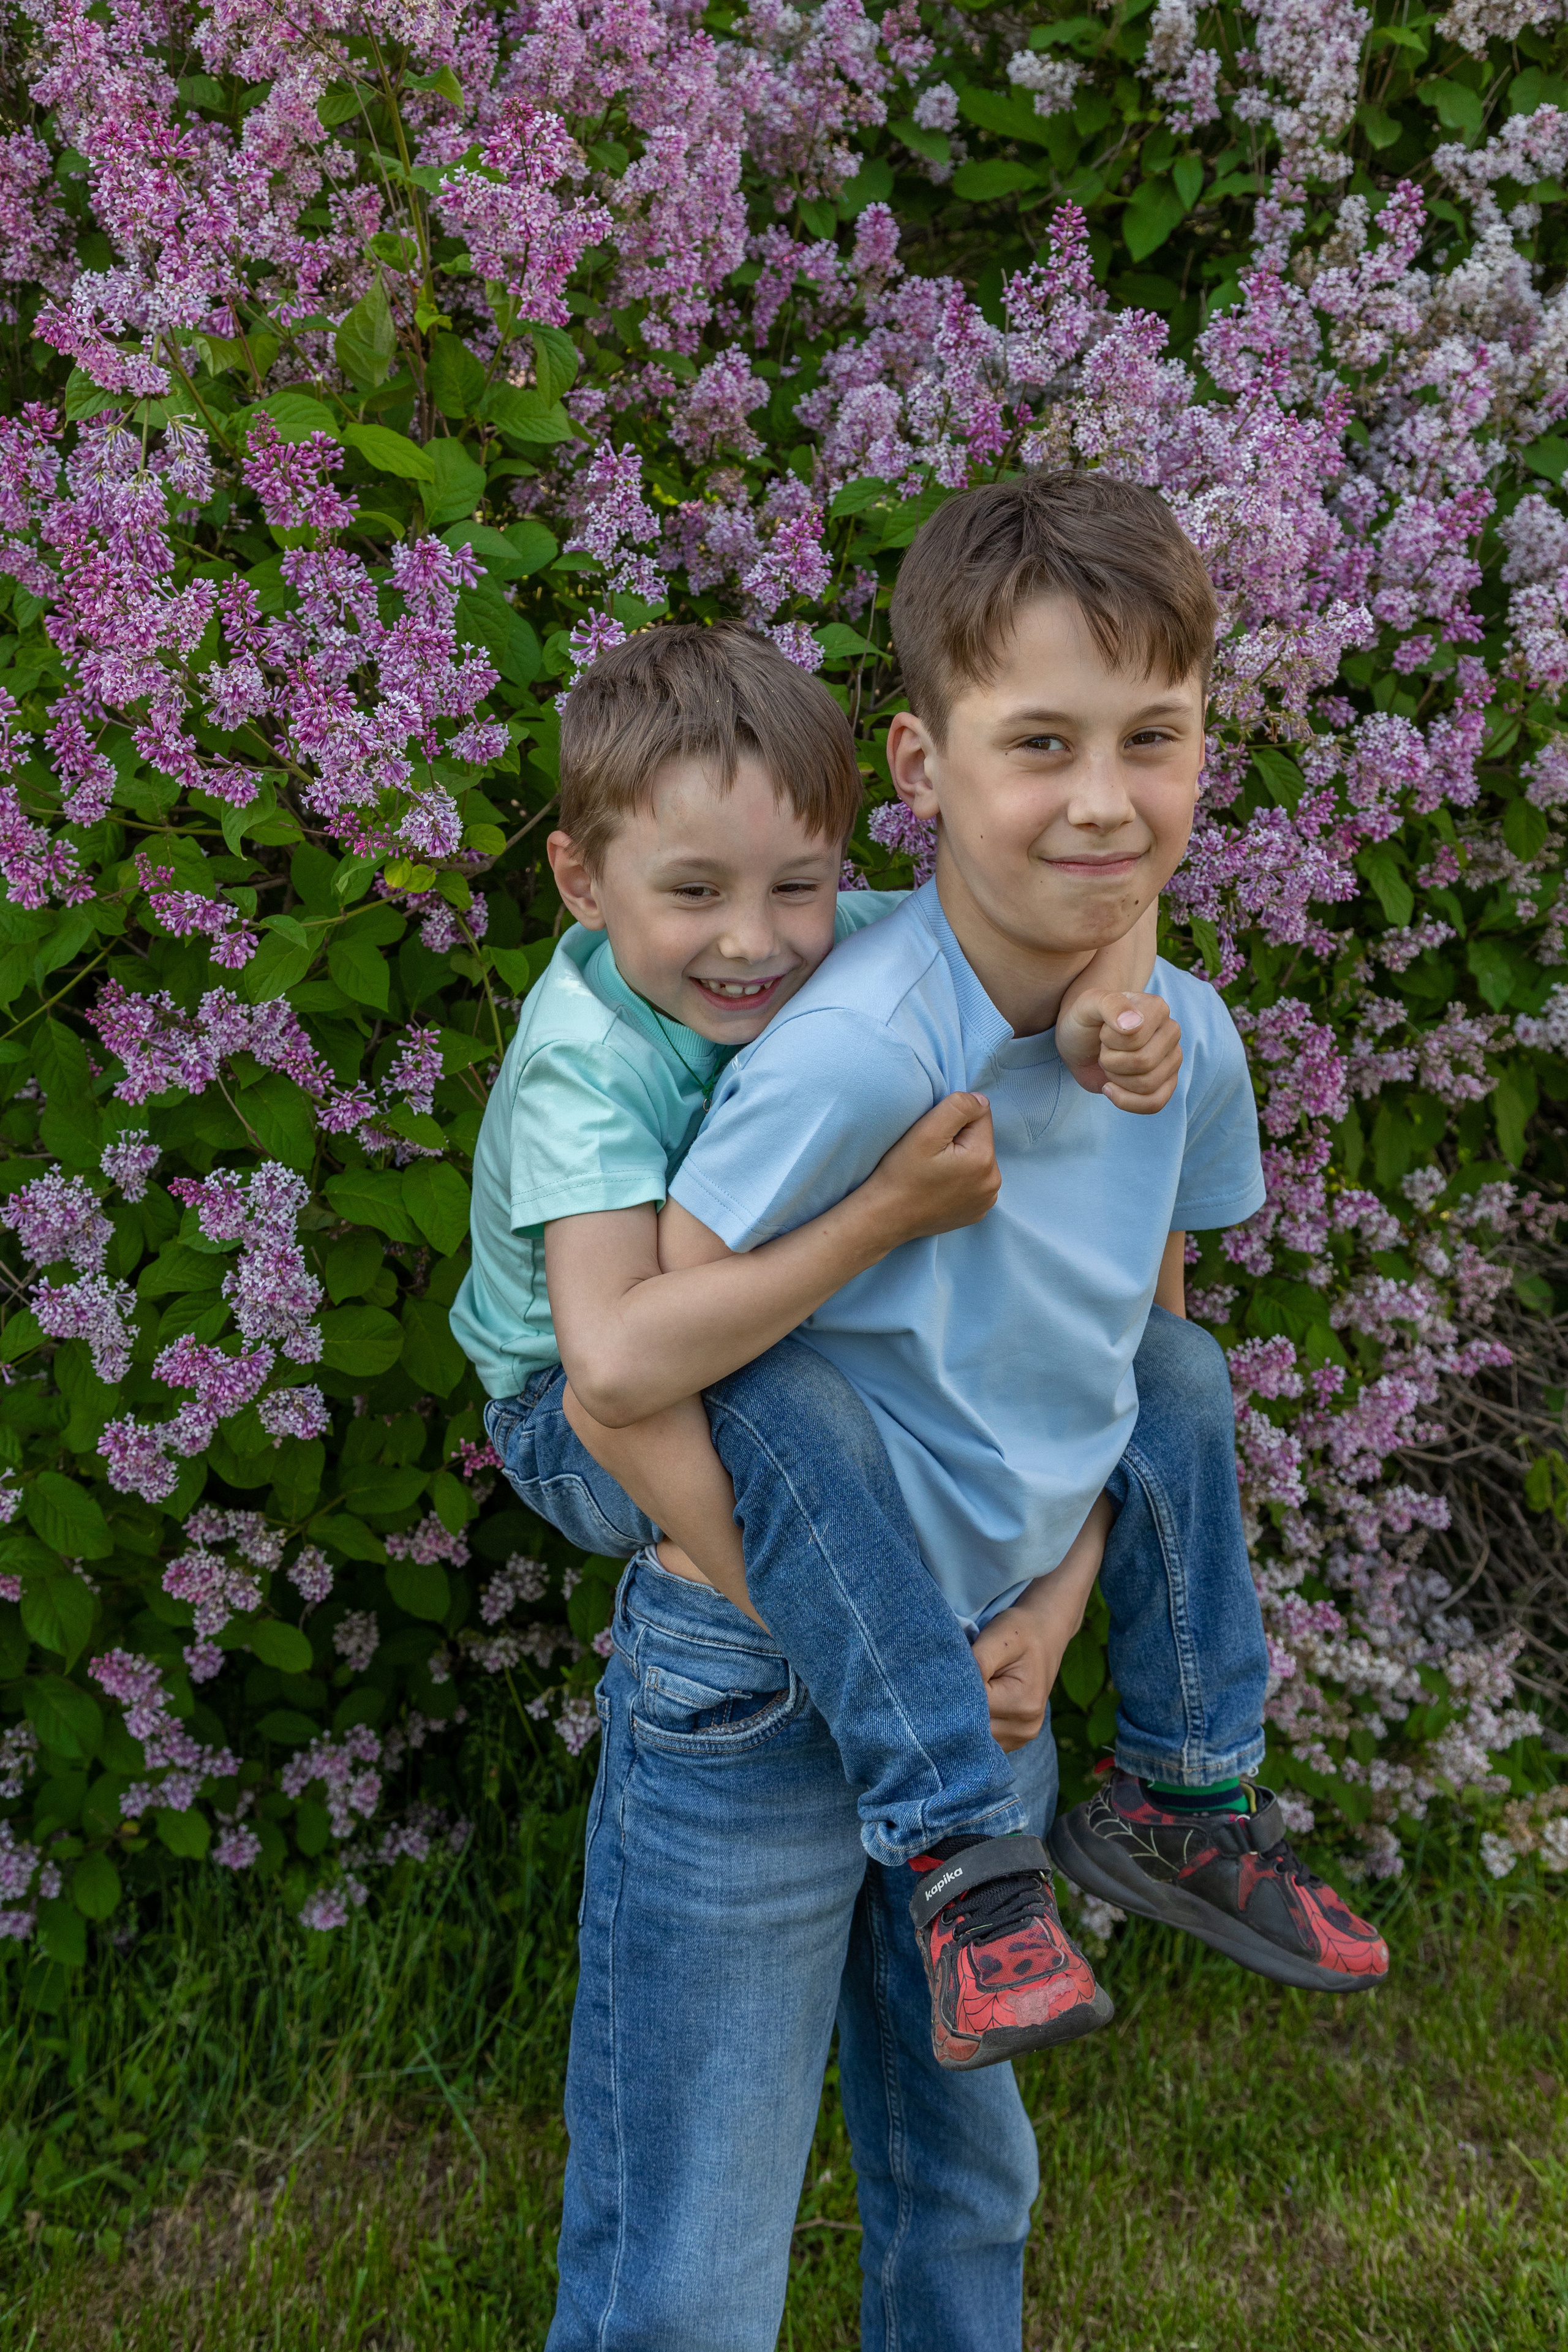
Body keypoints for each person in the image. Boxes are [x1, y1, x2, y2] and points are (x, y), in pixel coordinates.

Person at [518, 473, 1389, 2352]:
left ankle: (1183, 1797)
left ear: (1208, 740)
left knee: (969, 2188)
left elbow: (1132, 1358)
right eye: (1042, 745)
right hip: (756, 1672)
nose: (1102, 800)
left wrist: (1063, 1614)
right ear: (921, 763)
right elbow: (664, 1353)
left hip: (988, 1680)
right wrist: (867, 1639)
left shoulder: (1185, 1037)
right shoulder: (850, 1044)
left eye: (1153, 739)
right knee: (690, 2266)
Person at [452, 622, 1183, 2087]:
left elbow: (1101, 895)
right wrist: (884, 1219)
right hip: (577, 1418)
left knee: (886, 1386)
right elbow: (610, 1370)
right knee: (778, 1389)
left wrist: (1111, 1007)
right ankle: (952, 1826)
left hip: (748, 1358)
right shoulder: (580, 1061)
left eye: (799, 884)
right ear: (581, 886)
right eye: (694, 894)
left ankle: (1182, 1789)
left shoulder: (848, 944)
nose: (755, 941)